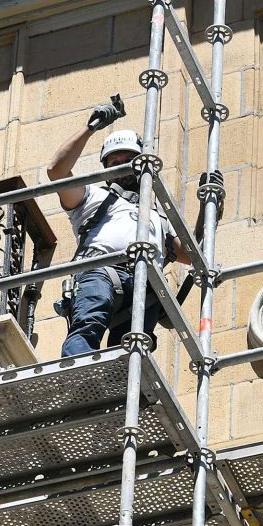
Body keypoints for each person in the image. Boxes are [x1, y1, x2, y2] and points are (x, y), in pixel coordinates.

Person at [47, 101, 189, 358]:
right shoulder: (92, 196)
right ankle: (78, 380)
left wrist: (208, 211)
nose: (123, 167)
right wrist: (91, 128)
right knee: (88, 328)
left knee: (132, 352)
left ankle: (123, 393)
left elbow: (191, 256)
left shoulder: (157, 218)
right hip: (100, 271)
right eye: (115, 163)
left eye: (130, 160)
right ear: (106, 170)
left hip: (145, 284)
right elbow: (57, 171)